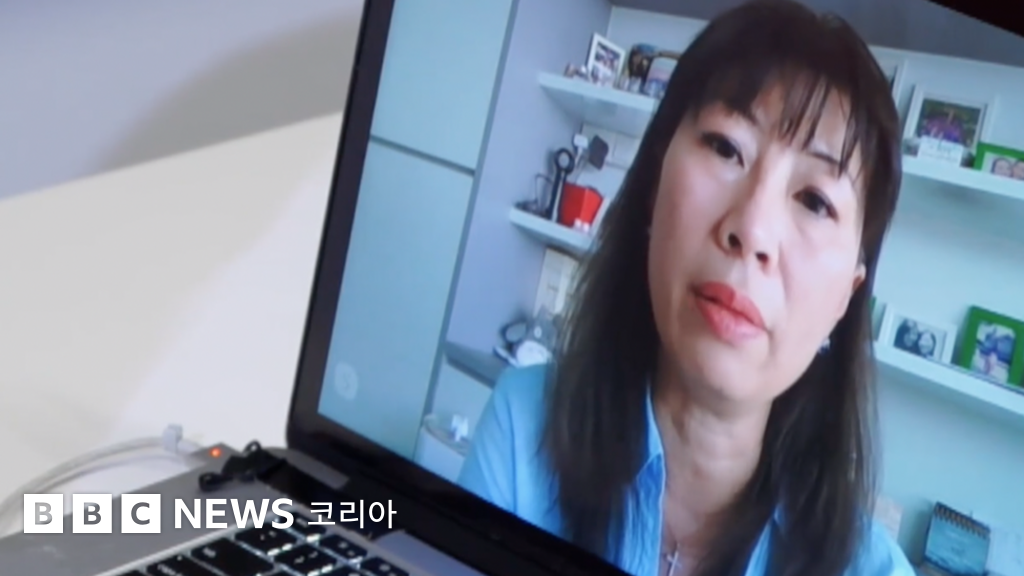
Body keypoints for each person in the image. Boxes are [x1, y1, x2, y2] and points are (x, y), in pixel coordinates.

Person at [458, 1, 911, 575]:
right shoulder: (525, 427)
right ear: (653, 184)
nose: (752, 230)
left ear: (847, 295)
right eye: (726, 147)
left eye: (815, 201)